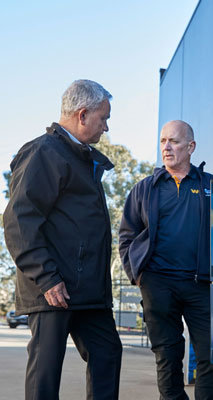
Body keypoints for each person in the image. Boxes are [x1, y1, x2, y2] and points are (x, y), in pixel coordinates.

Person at [3, 79, 122, 400]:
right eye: (103, 118)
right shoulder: (44, 152)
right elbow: (19, 221)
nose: (106, 127)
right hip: (53, 288)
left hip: (87, 291)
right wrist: (46, 278)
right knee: (46, 371)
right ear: (82, 115)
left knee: (107, 353)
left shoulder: (82, 158)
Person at [119, 120, 213, 400]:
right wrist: (138, 276)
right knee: (167, 357)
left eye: (174, 141)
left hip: (202, 285)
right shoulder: (144, 189)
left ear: (190, 147)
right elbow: (127, 235)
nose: (167, 147)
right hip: (158, 285)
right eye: (163, 141)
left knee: (212, 356)